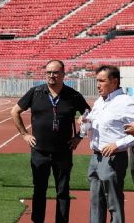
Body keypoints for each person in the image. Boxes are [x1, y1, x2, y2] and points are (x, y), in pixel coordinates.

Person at [10, 60, 90, 223]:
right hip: (40, 152)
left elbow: (90, 114)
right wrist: (25, 134)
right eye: (48, 72)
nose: (51, 76)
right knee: (39, 190)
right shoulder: (35, 92)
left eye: (55, 72)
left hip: (63, 152)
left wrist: (79, 137)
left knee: (63, 191)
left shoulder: (73, 95)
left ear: (63, 74)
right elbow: (15, 111)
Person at [81, 65, 134, 223]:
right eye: (97, 80)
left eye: (102, 81)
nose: (98, 84)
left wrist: (117, 144)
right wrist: (85, 123)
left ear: (114, 82)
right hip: (96, 158)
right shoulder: (100, 101)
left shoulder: (125, 102)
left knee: (114, 203)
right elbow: (91, 124)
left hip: (113, 158)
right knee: (95, 202)